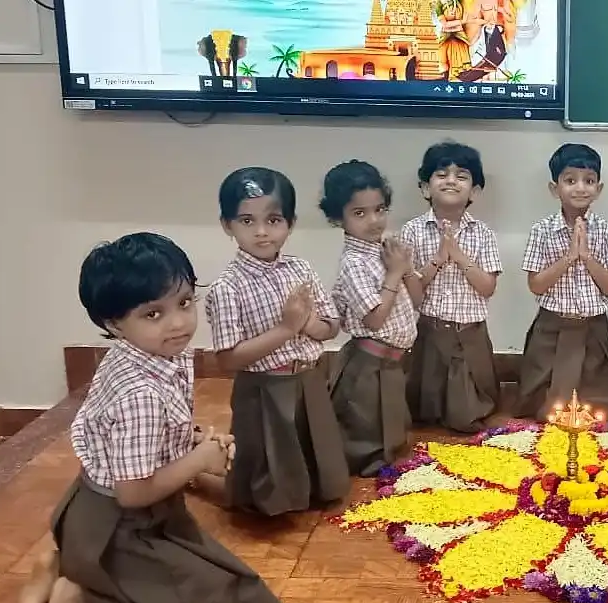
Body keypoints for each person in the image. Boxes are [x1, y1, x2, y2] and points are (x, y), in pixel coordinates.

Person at [22, 232, 282, 603]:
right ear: (113, 324)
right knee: (229, 602)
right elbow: (133, 492)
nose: (178, 322)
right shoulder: (139, 392)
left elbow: (156, 429)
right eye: (153, 313)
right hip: (118, 523)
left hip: (134, 512)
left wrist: (193, 438)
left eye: (184, 302)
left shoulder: (157, 350)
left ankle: (69, 567)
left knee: (226, 582)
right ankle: (85, 596)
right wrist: (200, 461)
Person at [204, 167, 350, 516]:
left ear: (290, 222)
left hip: (309, 380)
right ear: (227, 225)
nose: (261, 231)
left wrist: (311, 324)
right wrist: (286, 328)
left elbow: (332, 325)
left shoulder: (301, 269)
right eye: (246, 220)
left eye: (273, 220)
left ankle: (309, 490)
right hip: (264, 389)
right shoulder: (228, 287)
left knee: (316, 459)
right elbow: (229, 360)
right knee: (266, 479)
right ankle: (202, 478)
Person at [515, 143, 608, 419]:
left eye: (589, 181)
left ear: (598, 189)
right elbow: (536, 285)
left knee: (599, 409)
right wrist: (569, 257)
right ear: (555, 188)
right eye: (570, 180)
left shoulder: (606, 231)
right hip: (551, 327)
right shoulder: (541, 230)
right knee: (546, 409)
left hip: (593, 328)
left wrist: (586, 255)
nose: (580, 188)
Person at [324, 159, 421, 477]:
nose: (374, 220)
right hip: (367, 362)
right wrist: (394, 273)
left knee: (389, 431)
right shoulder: (354, 262)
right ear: (338, 218)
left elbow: (419, 298)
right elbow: (376, 319)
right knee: (362, 431)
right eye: (360, 213)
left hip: (392, 361)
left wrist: (404, 268)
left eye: (380, 209)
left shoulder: (386, 249)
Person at [402, 142, 503, 432]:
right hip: (429, 332)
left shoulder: (483, 233)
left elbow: (487, 288)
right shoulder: (412, 231)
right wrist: (437, 260)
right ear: (425, 187)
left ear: (475, 191)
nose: (450, 180)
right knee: (423, 412)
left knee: (465, 417)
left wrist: (458, 256)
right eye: (441, 174)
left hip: (470, 334)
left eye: (461, 175)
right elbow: (412, 293)